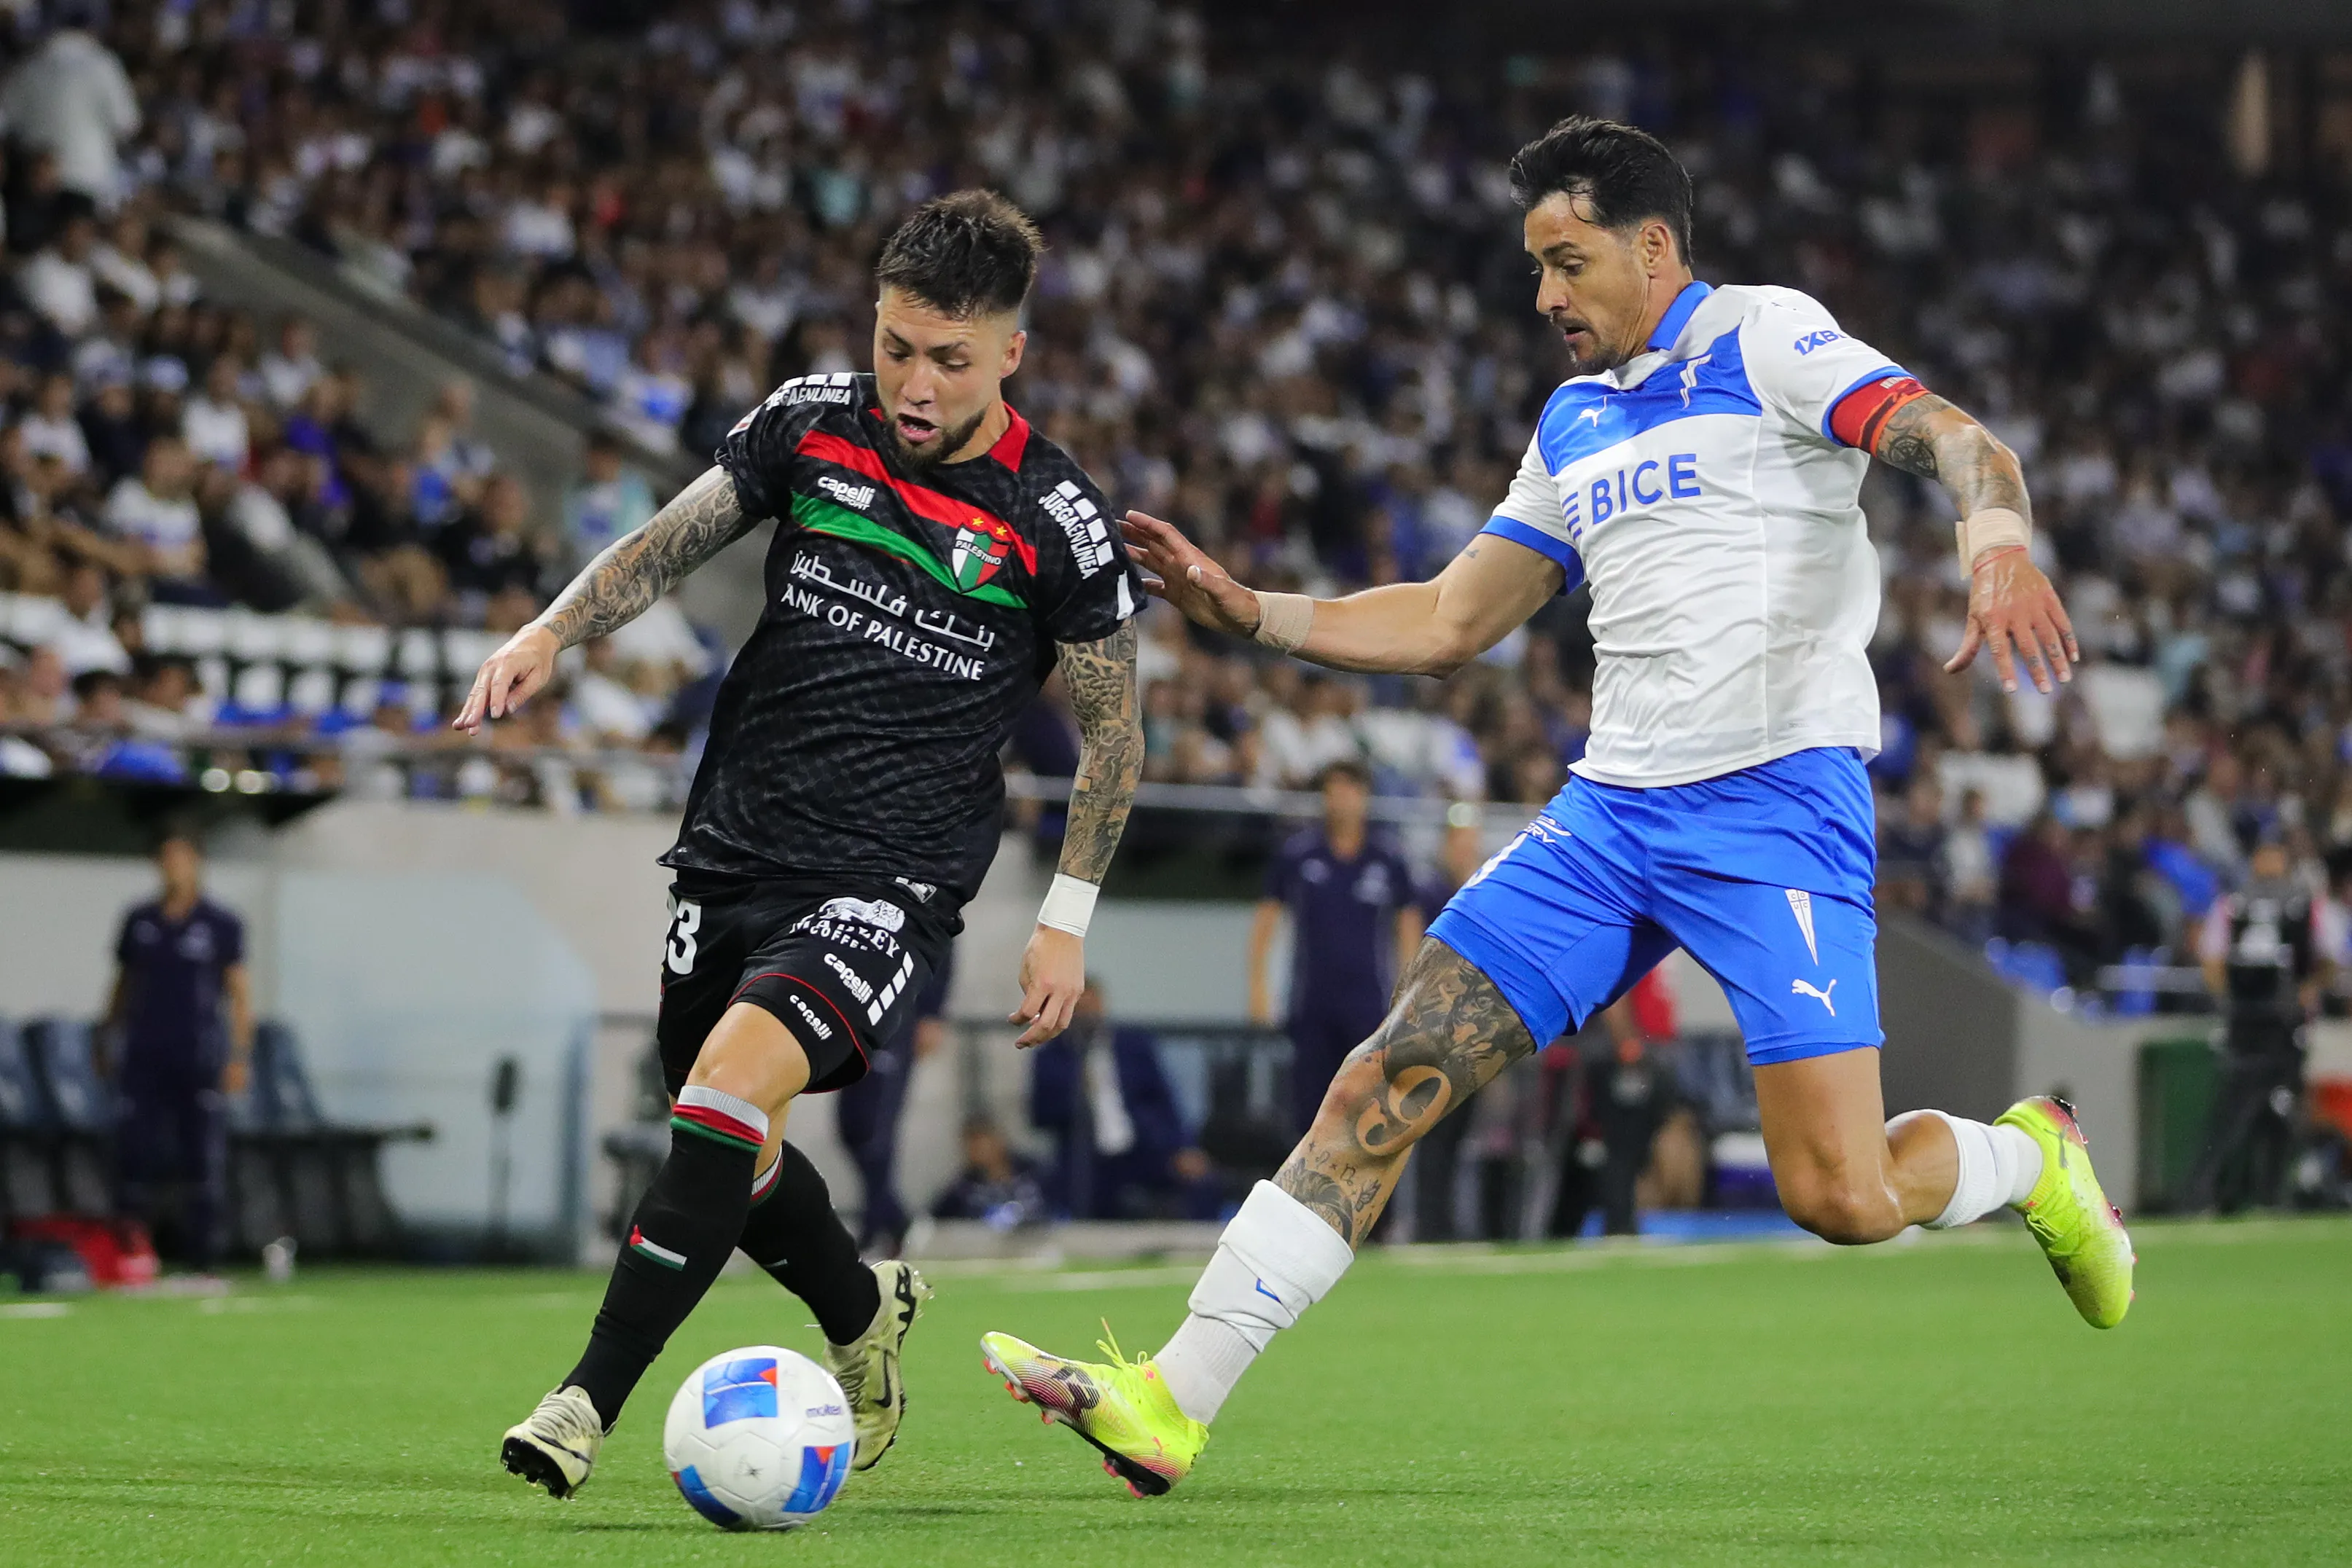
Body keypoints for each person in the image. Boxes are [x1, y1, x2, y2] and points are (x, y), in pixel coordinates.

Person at [980, 117, 2131, 1497]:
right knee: (1382, 1078)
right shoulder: (1572, 420)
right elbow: (1452, 616)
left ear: (1653, 248)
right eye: (1535, 266)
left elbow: (1955, 438)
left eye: (1567, 261)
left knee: (1839, 1196)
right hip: (1607, 820)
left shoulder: (1766, 339)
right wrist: (1251, 611)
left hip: (1774, 808)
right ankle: (1173, 1396)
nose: (1544, 297)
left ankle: (2029, 1159)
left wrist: (1993, 543)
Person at [460, 189, 1146, 1498]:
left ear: (1012, 352)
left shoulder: (1055, 520)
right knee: (732, 1140)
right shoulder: (813, 423)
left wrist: (1064, 915)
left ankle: (582, 1400)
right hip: (731, 842)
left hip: (886, 877)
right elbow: (668, 545)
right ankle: (860, 1314)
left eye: (950, 358)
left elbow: (1114, 738)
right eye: (897, 346)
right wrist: (548, 632)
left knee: (722, 1088)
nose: (915, 381)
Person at [1249, 758, 1424, 1137]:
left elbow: (1408, 927)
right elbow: (1267, 923)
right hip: (1311, 1004)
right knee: (1310, 1116)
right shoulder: (1298, 854)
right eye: (1334, 790)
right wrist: (1260, 990)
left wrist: (1408, 995)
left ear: (1365, 796)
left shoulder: (1387, 857)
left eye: (1350, 790)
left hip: (1369, 1007)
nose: (1341, 800)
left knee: (1369, 1115)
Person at [101, 832, 251, 1273]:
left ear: (198, 862)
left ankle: (203, 1262)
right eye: (165, 857)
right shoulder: (139, 919)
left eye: (182, 857)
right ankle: (131, 1259)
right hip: (144, 1055)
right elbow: (123, 984)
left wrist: (239, 1054)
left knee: (201, 1160)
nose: (173, 866)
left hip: (198, 1057)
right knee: (134, 1156)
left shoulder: (221, 922)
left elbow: (239, 993)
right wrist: (107, 1036)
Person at [2189, 839, 2345, 1212]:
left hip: (2286, 1024)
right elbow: (2211, 957)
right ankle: (2216, 1193)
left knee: (2281, 1109)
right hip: (2247, 1026)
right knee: (2234, 1113)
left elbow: (2331, 956)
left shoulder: (2306, 906)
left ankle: (2271, 1192)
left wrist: (2309, 989)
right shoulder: (2234, 905)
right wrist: (2229, 1000)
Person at [1029, 979, 1219, 1221]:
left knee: (1201, 1181)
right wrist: (1078, 1092)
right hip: (1085, 1157)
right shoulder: (1052, 1057)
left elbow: (1164, 1100)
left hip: (1142, 1147)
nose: (1087, 1014)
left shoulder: (1133, 1046)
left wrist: (1183, 1146)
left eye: (1091, 1006)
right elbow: (1039, 1115)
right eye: (1079, 1007)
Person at [834, 949, 953, 1256]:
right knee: (850, 1128)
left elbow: (942, 942)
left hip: (895, 1014)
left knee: (876, 1131)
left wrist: (932, 1011)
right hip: (853, 1011)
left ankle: (874, 1229)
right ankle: (897, 1219)